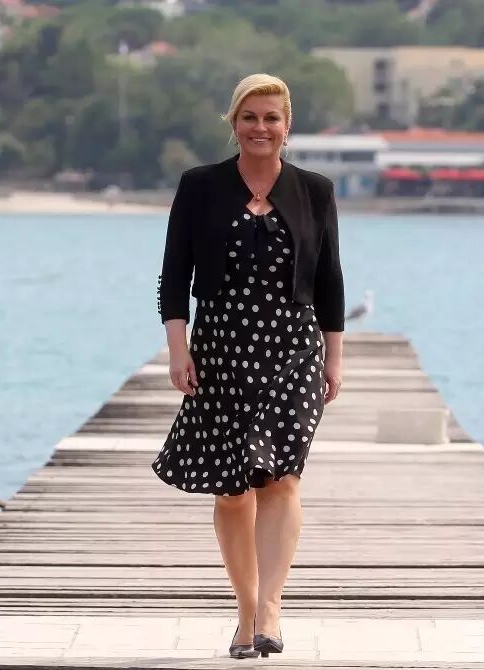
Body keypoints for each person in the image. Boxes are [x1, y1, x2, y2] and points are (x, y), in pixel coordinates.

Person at [151, 73, 345, 659]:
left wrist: (334, 359)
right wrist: (178, 349)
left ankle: (271, 608)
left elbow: (330, 280)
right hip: (221, 348)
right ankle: (244, 611)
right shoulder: (200, 186)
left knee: (282, 478)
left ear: (288, 126)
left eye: (271, 118)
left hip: (293, 348)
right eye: (250, 117)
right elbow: (174, 275)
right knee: (233, 490)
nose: (261, 128)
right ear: (234, 123)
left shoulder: (315, 190)